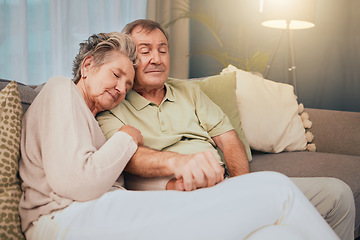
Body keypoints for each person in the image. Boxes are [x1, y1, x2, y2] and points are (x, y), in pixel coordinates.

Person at [18, 32, 338, 240]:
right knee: (277, 188)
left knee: (274, 236)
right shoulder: (61, 89)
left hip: (106, 213)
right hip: (63, 221)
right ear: (87, 65)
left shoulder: (95, 118)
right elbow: (79, 183)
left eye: (128, 85)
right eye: (116, 75)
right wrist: (128, 137)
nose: (120, 89)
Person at [96, 19, 355, 240]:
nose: (156, 59)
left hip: (226, 186)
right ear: (129, 59)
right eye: (145, 51)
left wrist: (244, 188)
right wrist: (182, 167)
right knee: (278, 220)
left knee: (338, 194)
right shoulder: (114, 102)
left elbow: (229, 140)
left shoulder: (189, 91)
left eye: (162, 50)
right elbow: (129, 157)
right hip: (178, 196)